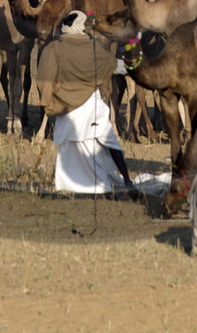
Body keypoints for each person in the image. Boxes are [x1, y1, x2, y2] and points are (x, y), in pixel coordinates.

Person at [34, 11, 134, 195]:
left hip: (66, 110)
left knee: (71, 148)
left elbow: (44, 78)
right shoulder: (93, 47)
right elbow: (111, 65)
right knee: (109, 141)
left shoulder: (53, 48)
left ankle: (75, 184)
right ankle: (127, 180)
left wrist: (49, 101)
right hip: (91, 105)